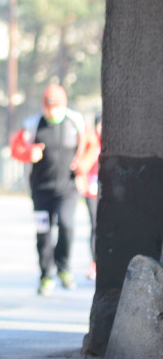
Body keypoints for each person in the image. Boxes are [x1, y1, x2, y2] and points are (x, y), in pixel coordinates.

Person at [9, 84, 85, 296]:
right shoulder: (33, 125)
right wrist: (28, 154)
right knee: (43, 233)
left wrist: (82, 166)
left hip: (67, 188)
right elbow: (16, 148)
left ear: (64, 105)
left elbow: (91, 146)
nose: (52, 112)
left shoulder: (75, 123)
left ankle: (64, 268)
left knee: (66, 224)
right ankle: (46, 275)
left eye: (56, 107)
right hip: (41, 189)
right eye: (48, 107)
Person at [75, 114, 101, 280]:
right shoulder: (90, 141)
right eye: (100, 124)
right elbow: (80, 162)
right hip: (91, 190)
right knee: (95, 226)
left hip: (109, 190)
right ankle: (94, 263)